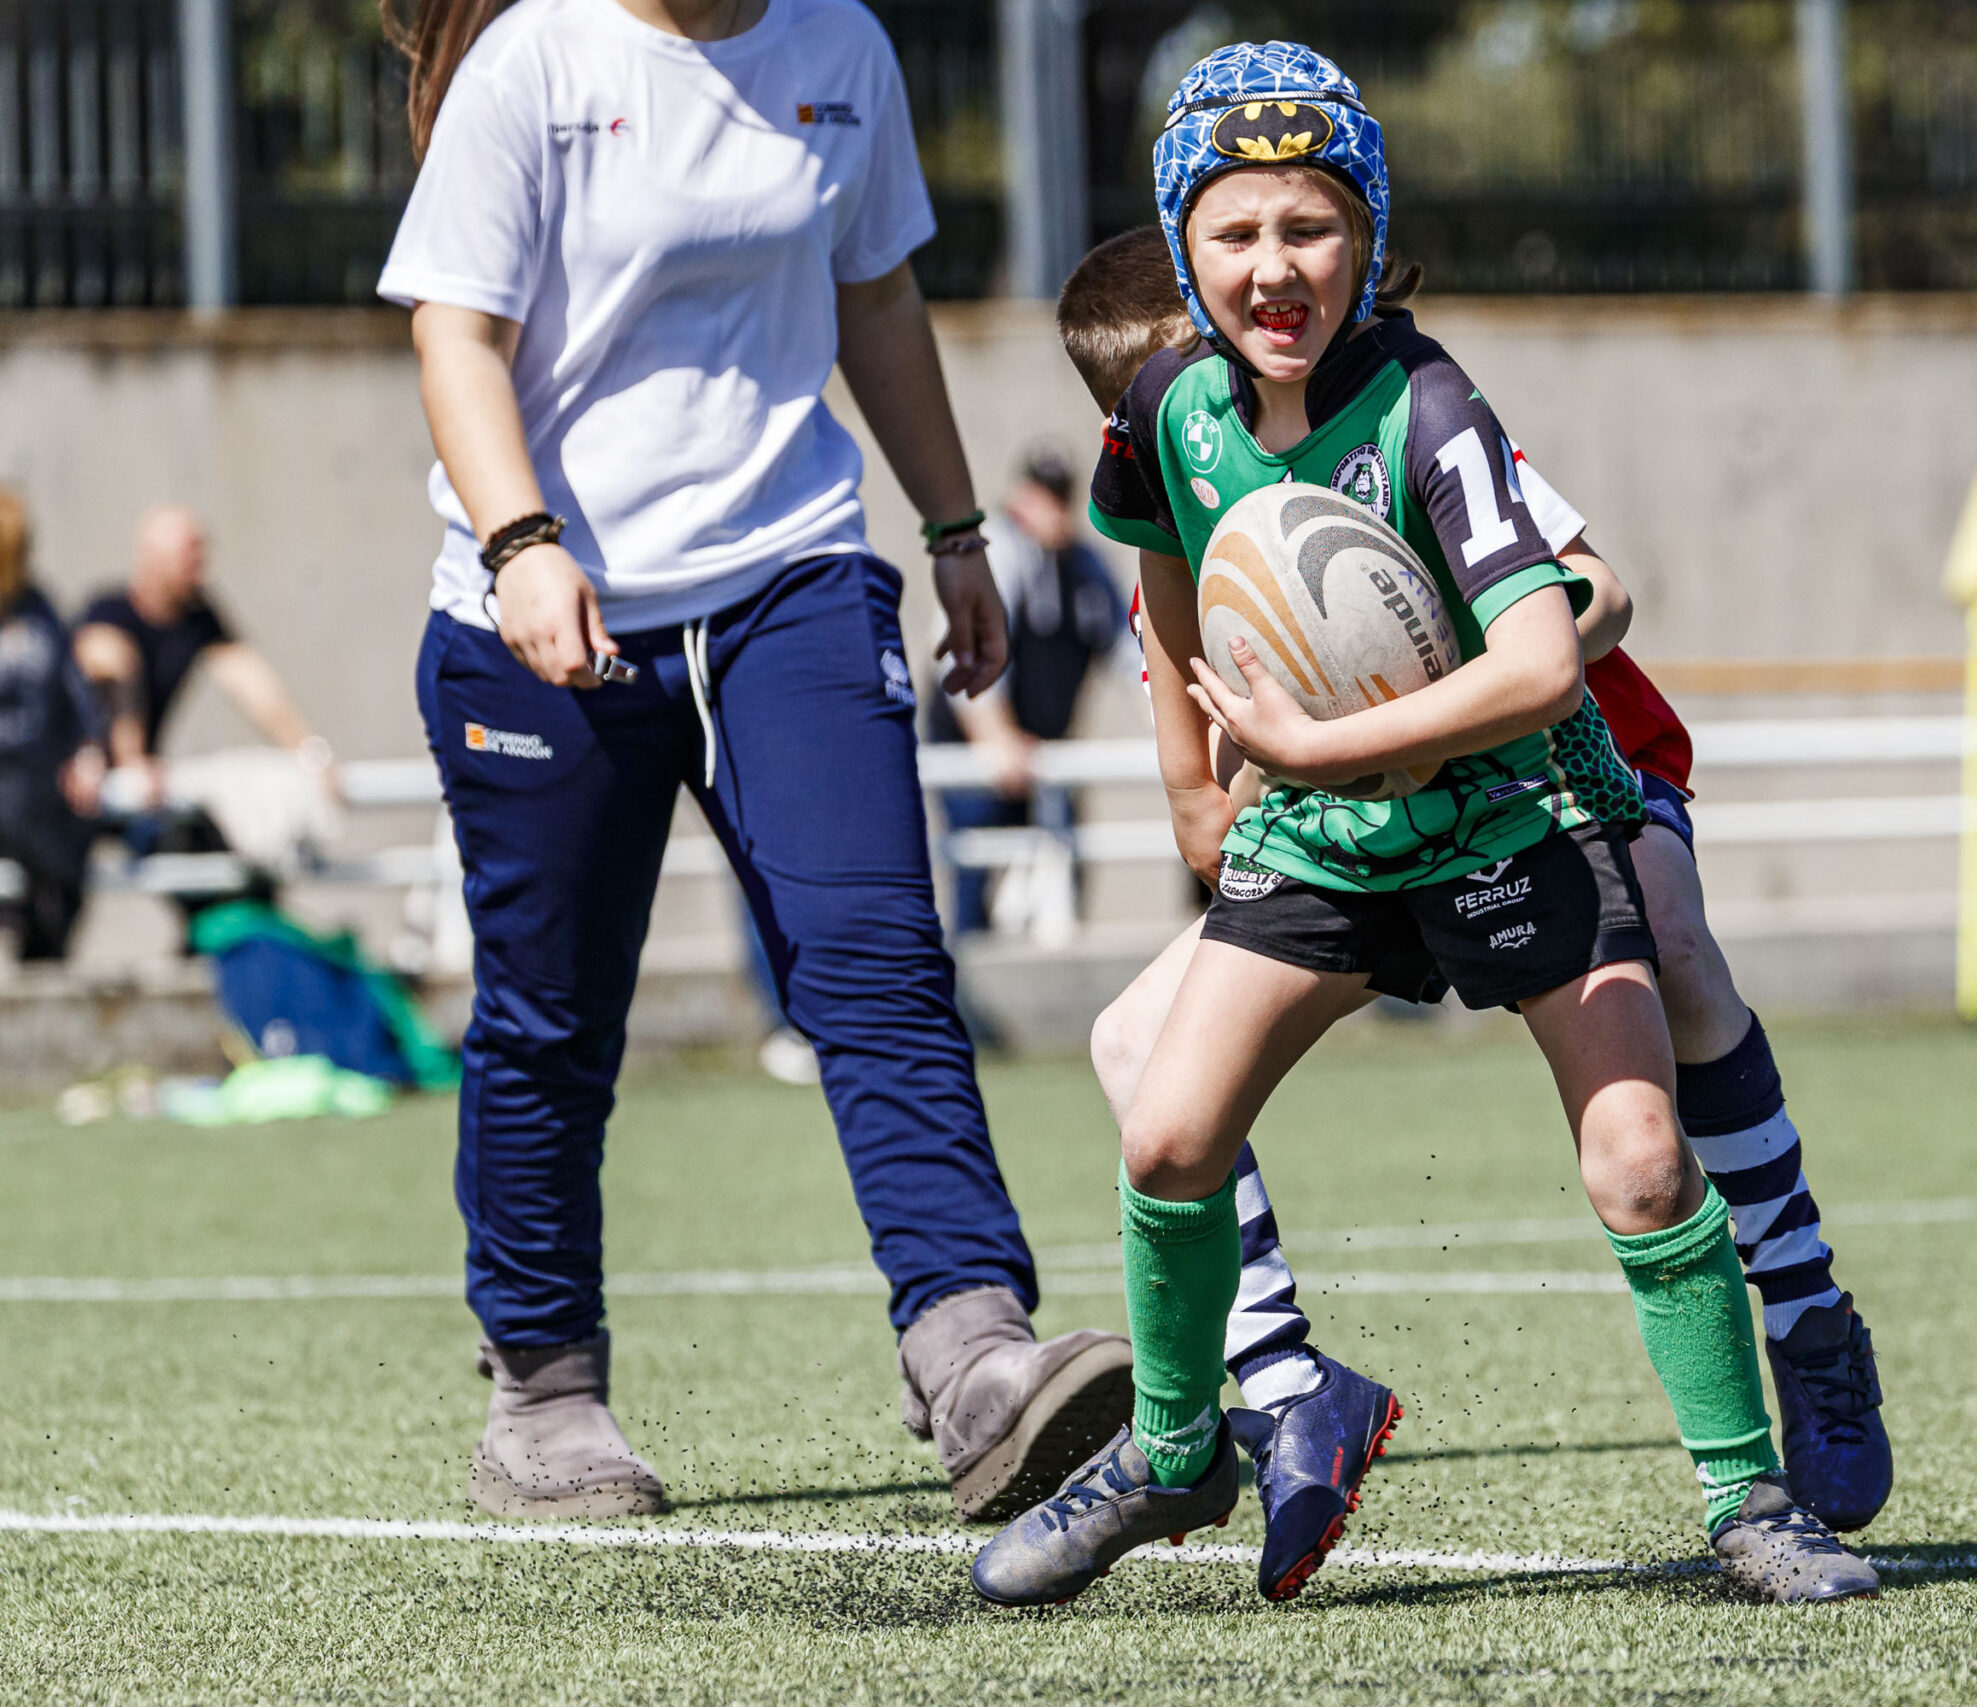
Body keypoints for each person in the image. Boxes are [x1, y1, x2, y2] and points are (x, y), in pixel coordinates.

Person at [972, 42, 1876, 1608]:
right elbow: (1161, 555)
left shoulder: (1430, 405)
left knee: (1644, 1149)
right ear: (1186, 248)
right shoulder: (1166, 411)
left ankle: (1761, 1470)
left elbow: (1559, 630)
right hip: (1325, 836)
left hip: (1517, 811)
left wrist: (1323, 735)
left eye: (1309, 227)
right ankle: (1185, 1444)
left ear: (1367, 238)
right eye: (1237, 231)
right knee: (1165, 1122)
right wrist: (1196, 780)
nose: (1274, 266)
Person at [375, 0, 1130, 1524]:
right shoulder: (535, 62)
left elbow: (876, 298)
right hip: (545, 608)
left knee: (877, 956)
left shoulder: (844, 47)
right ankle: (544, 1388)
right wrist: (523, 541)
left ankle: (970, 1342)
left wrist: (953, 528)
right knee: (552, 1012)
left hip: (789, 575)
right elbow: (454, 329)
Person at [928, 453, 1129, 935]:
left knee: (1065, 869)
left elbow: (1132, 650)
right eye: (1041, 495)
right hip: (975, 749)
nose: (1048, 511)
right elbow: (965, 656)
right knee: (976, 868)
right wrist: (994, 737)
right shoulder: (995, 552)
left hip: (1042, 755)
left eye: (1059, 498)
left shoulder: (1083, 568)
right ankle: (965, 991)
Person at [75, 505, 336, 801]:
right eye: (189, 553)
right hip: (83, 776)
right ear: (155, 560)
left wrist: (308, 750)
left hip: (141, 781)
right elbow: (110, 681)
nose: (202, 566)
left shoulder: (198, 617)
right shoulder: (108, 613)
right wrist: (130, 759)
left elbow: (252, 685)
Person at [0, 490, 107, 961]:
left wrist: (89, 748)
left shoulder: (39, 610)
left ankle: (47, 939)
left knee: (73, 823)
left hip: (42, 779)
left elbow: (75, 690)